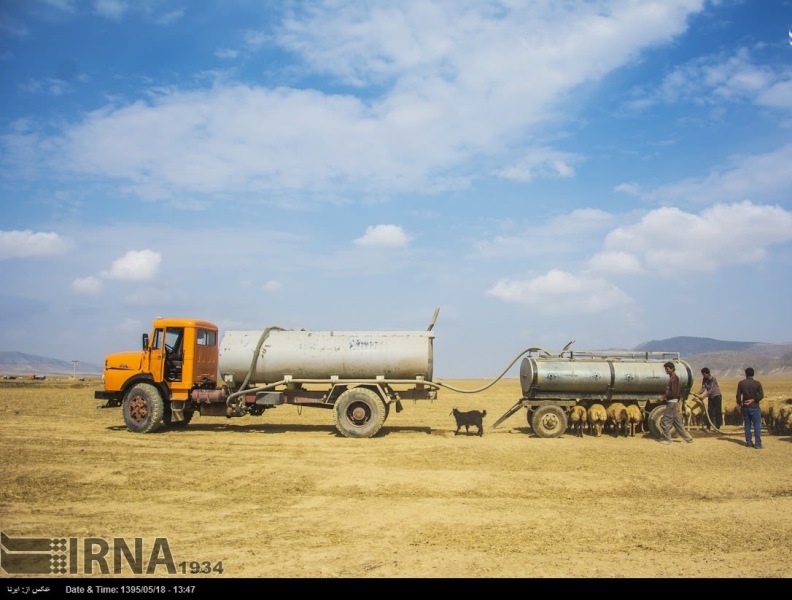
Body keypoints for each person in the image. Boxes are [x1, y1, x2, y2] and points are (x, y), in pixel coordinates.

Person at [657, 361, 693, 444]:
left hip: (672, 402)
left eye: (667, 369)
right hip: (673, 402)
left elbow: (673, 392)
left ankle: (667, 439)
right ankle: (688, 438)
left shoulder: (674, 379)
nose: (666, 371)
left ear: (672, 369)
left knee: (665, 421)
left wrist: (663, 397)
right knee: (677, 423)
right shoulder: (673, 378)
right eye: (665, 369)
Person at [736, 367, 764, 449]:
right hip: (755, 407)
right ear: (753, 374)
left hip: (745, 407)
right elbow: (761, 395)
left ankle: (749, 442)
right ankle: (758, 443)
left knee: (747, 425)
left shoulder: (741, 383)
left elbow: (738, 396)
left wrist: (739, 404)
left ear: (746, 374)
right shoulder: (757, 383)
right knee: (757, 425)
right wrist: (754, 399)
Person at [696, 367, 722, 431]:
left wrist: (704, 396)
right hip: (710, 397)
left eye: (704, 374)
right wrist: (697, 393)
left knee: (717, 412)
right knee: (709, 411)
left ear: (708, 374)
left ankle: (717, 427)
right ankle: (708, 427)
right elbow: (703, 388)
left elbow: (711, 390)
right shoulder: (704, 379)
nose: (703, 376)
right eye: (703, 374)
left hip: (717, 396)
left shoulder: (713, 379)